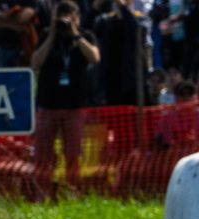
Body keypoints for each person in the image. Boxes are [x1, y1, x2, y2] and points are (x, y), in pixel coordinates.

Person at [31, 0, 100, 192]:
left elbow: (95, 57)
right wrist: (52, 35)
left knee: (73, 153)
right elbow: (35, 62)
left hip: (74, 106)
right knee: (44, 154)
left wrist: (76, 35)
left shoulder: (86, 36)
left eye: (70, 17)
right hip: (48, 105)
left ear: (77, 18)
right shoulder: (46, 35)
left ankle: (72, 190)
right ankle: (43, 191)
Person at [94, 0, 147, 105]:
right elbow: (89, 28)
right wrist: (95, 7)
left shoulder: (141, 19)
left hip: (132, 84)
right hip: (110, 83)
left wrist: (123, 7)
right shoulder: (106, 20)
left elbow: (137, 31)